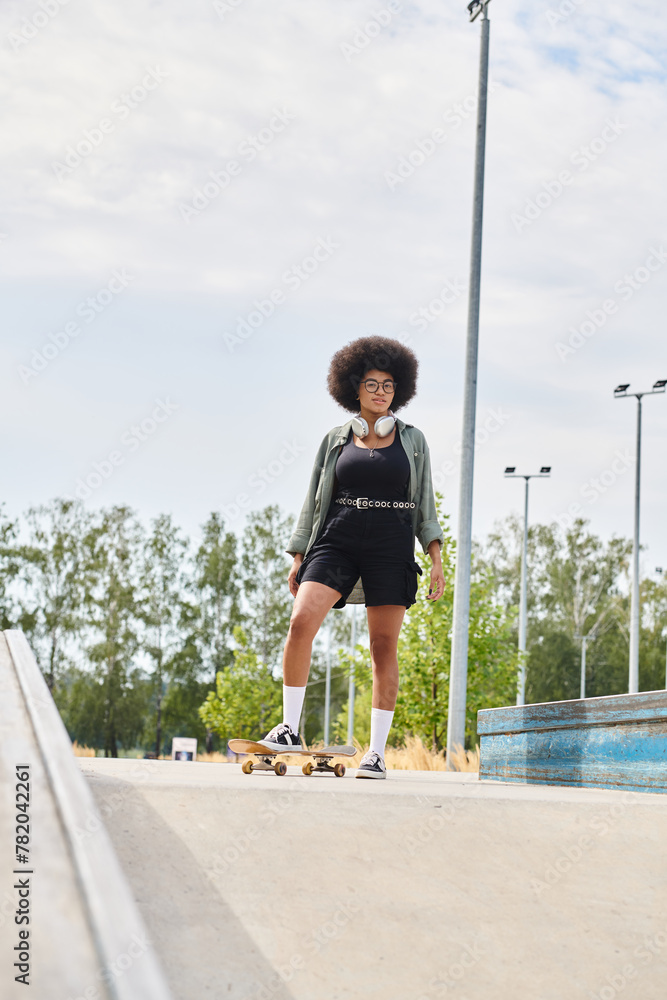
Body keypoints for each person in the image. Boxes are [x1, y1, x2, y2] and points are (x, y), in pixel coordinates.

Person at [260, 335, 445, 778]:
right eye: (371, 384)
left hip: (391, 542)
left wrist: (435, 556)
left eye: (387, 385)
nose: (380, 392)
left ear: (397, 390)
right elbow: (314, 499)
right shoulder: (335, 440)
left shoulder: (413, 441)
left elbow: (426, 504)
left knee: (383, 646)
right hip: (337, 537)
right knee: (301, 621)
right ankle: (289, 728)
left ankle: (376, 753)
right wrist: (299, 552)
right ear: (353, 389)